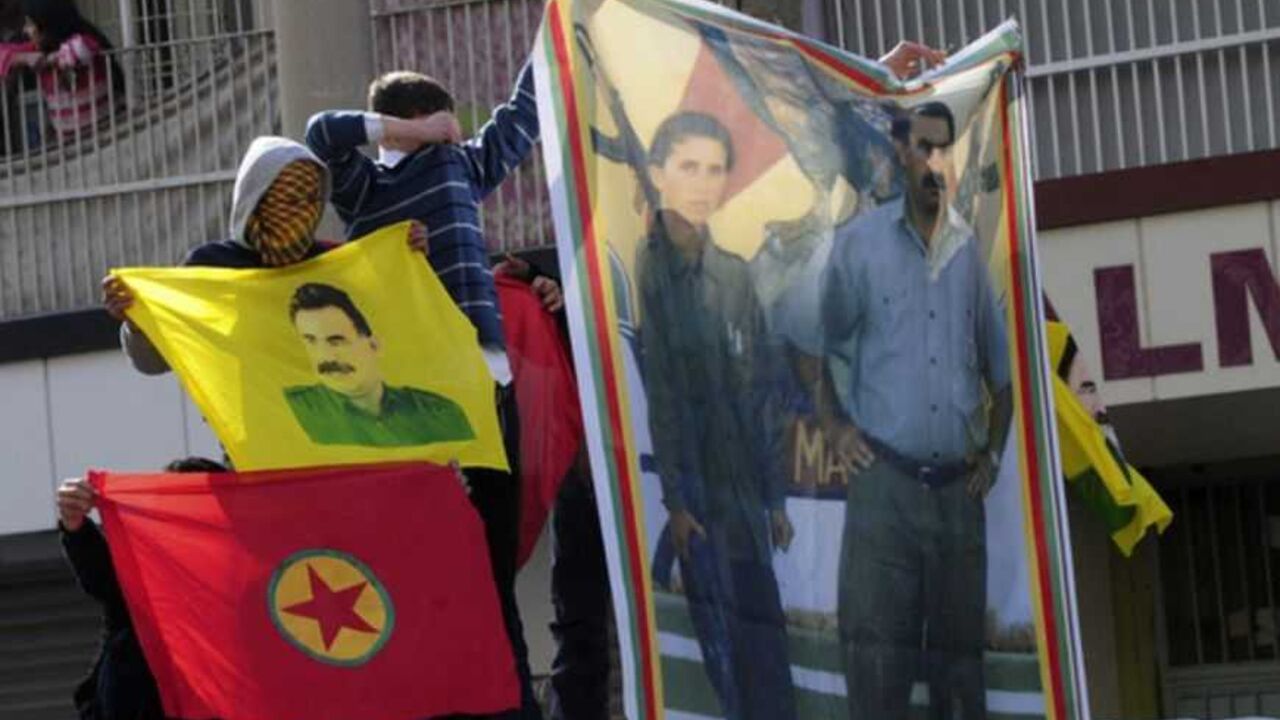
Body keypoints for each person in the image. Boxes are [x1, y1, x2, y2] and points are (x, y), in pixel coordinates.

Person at [305, 60, 544, 719]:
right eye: (441, 129)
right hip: (415, 397)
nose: (452, 138)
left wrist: (558, 27)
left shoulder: (460, 166)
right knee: (429, 566)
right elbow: (319, 133)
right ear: (414, 126)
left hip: (485, 379)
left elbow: (522, 116)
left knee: (493, 567)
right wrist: (407, 130)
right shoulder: (363, 187)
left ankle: (514, 701)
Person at [779, 100, 1012, 719]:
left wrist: (993, 452)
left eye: (946, 149)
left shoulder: (967, 254)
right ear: (902, 155)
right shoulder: (859, 246)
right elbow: (806, 341)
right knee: (877, 670)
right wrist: (834, 426)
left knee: (961, 681)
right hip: (884, 490)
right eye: (925, 147)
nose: (936, 161)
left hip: (959, 500)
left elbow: (1004, 376)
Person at [636, 111, 796, 720]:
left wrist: (776, 499)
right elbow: (666, 397)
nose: (703, 184)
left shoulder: (734, 274)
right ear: (658, 175)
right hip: (698, 507)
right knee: (726, 668)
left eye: (715, 169)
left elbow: (761, 393)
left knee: (769, 658)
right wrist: (677, 502)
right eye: (688, 167)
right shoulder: (648, 273)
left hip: (746, 501)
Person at [57, 456, 228, 720]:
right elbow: (101, 576)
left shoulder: (245, 587)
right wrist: (75, 524)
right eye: (169, 503)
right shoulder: (142, 569)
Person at [285, 281, 475, 447]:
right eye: (310, 341)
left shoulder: (439, 413)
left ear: (374, 345)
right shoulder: (290, 412)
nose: (325, 356)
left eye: (336, 341)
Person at [0, 0, 123, 142]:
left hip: (109, 135)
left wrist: (50, 60)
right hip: (70, 145)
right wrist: (21, 58)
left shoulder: (85, 40)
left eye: (29, 24)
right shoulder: (36, 47)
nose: (25, 30)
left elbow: (79, 50)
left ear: (46, 25)